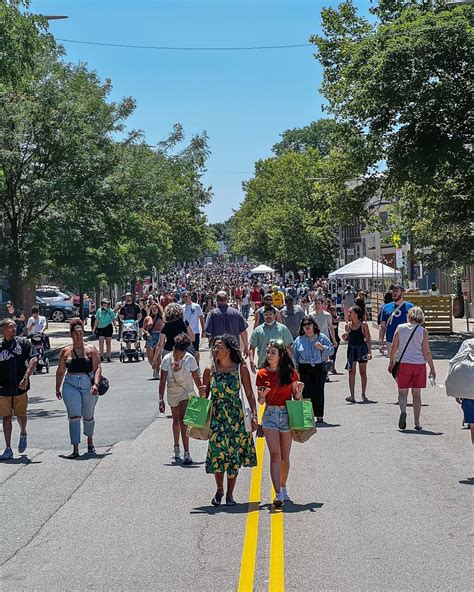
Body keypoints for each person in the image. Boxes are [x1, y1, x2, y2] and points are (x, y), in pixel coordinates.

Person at [203, 334, 258, 506]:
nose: (215, 350)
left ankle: (230, 494)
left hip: (236, 417)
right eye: (214, 347)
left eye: (219, 346)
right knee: (218, 454)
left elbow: (249, 393)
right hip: (217, 417)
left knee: (233, 456)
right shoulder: (209, 369)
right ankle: (219, 490)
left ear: (228, 349)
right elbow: (204, 397)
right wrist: (202, 391)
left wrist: (255, 415)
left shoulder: (240, 368)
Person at [257, 339, 304, 507]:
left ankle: (283, 486)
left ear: (281, 354)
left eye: (273, 353)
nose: (269, 355)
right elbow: (261, 402)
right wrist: (262, 396)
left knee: (285, 456)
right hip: (270, 414)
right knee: (275, 455)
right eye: (268, 352)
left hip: (286, 413)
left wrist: (298, 392)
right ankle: (277, 493)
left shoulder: (290, 372)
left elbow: (296, 397)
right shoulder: (262, 373)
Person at [55, 319, 102, 458]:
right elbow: (60, 371)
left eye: (81, 334)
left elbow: (97, 367)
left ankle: (90, 441)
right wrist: (57, 388)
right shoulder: (66, 351)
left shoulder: (91, 349)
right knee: (74, 415)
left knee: (88, 415)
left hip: (88, 384)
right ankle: (75, 448)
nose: (79, 337)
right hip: (71, 384)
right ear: (71, 335)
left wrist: (96, 384)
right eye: (76, 334)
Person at [159, 333, 206, 464]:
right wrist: (160, 399)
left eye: (183, 354)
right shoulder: (167, 360)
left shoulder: (189, 359)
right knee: (176, 420)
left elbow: (196, 376)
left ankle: (187, 452)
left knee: (184, 419)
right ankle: (176, 446)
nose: (180, 356)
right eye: (179, 354)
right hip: (172, 391)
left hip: (186, 391)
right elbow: (162, 380)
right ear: (174, 349)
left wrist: (201, 389)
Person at [388, 307, 436, 431]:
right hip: (419, 365)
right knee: (416, 395)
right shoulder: (423, 331)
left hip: (404, 364)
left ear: (409, 316)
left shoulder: (400, 328)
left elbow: (394, 346)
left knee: (402, 393)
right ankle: (417, 422)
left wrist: (391, 361)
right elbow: (426, 351)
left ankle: (403, 411)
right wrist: (432, 367)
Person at [0, 319, 38, 460]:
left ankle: (23, 433)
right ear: (4, 329)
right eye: (10, 327)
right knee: (6, 417)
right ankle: (8, 448)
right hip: (3, 388)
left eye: (15, 326)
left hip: (20, 386)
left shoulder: (23, 343)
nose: (14, 328)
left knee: (21, 414)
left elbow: (34, 358)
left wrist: (26, 376)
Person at [293, 316, 334, 423]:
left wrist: (322, 348)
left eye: (309, 324)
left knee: (318, 391)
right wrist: (295, 369)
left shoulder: (321, 337)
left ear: (313, 325)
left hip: (319, 367)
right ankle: (307, 417)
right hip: (304, 368)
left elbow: (331, 350)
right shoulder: (299, 340)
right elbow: (295, 356)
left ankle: (319, 415)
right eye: (304, 325)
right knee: (305, 391)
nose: (307, 327)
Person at [445, 339, 474, 444]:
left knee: (472, 424)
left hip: (468, 392)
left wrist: (456, 392)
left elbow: (456, 362)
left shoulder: (467, 343)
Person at [249, 306, 294, 373]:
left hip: (280, 365)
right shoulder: (257, 330)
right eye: (266, 315)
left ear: (275, 315)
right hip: (263, 365)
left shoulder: (283, 329)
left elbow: (288, 347)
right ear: (263, 316)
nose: (268, 316)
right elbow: (252, 347)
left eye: (270, 314)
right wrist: (251, 361)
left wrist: (292, 362)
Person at [342, 305, 372, 403]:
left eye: (351, 312)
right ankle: (352, 395)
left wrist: (369, 351)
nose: (349, 314)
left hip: (361, 349)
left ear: (356, 314)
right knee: (351, 372)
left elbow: (368, 338)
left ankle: (363, 393)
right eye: (349, 312)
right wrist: (345, 336)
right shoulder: (348, 325)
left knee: (362, 372)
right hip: (351, 350)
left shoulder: (363, 325)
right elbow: (347, 337)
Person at [204, 291, 249, 356]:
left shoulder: (212, 314)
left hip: (219, 349)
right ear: (227, 299)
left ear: (216, 300)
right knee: (235, 365)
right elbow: (243, 331)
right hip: (234, 348)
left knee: (218, 365)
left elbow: (208, 332)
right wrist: (246, 347)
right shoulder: (237, 313)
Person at [152, 303, 195, 369]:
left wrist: (154, 360)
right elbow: (192, 338)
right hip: (183, 350)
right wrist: (184, 335)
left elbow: (160, 344)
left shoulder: (165, 325)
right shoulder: (184, 322)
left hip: (168, 351)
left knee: (169, 375)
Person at [379, 284, 413, 356]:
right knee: (393, 363)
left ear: (402, 293)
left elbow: (415, 324)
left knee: (405, 364)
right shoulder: (386, 307)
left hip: (406, 341)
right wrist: (381, 341)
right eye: (393, 291)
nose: (394, 293)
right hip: (390, 340)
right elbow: (382, 326)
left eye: (396, 291)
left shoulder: (410, 307)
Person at [182, 291, 205, 365]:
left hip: (195, 332)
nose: (185, 298)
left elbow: (201, 318)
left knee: (196, 351)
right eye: (184, 297)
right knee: (186, 350)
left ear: (190, 297)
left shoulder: (196, 306)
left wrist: (203, 330)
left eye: (187, 296)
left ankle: (197, 364)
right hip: (185, 333)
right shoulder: (182, 308)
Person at [143, 301, 164, 377]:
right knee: (150, 357)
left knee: (158, 356)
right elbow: (144, 328)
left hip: (159, 336)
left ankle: (157, 371)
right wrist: (147, 333)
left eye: (156, 308)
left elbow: (165, 328)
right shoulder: (147, 318)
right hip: (150, 337)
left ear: (158, 309)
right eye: (153, 308)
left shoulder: (162, 318)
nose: (154, 309)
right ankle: (154, 367)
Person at [327, 301, 340, 373]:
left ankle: (332, 366)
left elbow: (334, 325)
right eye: (330, 310)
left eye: (333, 310)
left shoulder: (337, 318)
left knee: (334, 354)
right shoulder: (327, 318)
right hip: (328, 338)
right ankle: (329, 367)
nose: (332, 311)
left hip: (336, 338)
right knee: (328, 354)